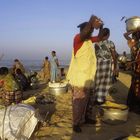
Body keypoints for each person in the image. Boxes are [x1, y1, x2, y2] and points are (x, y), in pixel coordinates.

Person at [67, 15, 103, 133]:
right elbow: (86, 32)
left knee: (88, 101)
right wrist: (92, 21)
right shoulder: (78, 39)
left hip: (88, 77)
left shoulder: (89, 41)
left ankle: (86, 118)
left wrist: (101, 26)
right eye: (90, 30)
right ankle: (75, 123)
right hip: (79, 79)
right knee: (78, 103)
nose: (91, 32)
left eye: (92, 30)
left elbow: (100, 37)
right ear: (84, 30)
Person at [94, 28, 117, 104]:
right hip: (106, 64)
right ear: (108, 35)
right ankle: (100, 99)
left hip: (98, 64)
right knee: (105, 82)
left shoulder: (96, 43)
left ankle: (96, 98)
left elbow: (95, 55)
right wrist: (115, 66)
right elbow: (114, 56)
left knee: (98, 81)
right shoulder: (110, 43)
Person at [124, 30, 140, 113]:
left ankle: (134, 105)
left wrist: (131, 62)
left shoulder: (137, 44)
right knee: (134, 85)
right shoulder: (133, 43)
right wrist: (135, 29)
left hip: (137, 66)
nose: (134, 37)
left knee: (136, 86)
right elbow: (125, 34)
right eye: (134, 35)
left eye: (136, 35)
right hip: (135, 67)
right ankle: (132, 105)